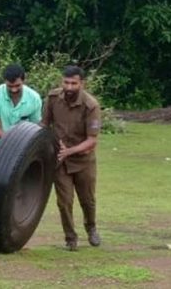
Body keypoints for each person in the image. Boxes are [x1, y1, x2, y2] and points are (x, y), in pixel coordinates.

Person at [41, 65, 102, 251]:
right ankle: (70, 238)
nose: (69, 87)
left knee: (87, 200)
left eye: (73, 83)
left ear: (81, 83)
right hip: (60, 160)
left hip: (83, 161)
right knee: (64, 202)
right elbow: (44, 124)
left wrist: (71, 150)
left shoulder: (91, 106)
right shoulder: (53, 98)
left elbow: (92, 140)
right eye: (66, 82)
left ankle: (91, 228)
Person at [0, 63, 42, 173]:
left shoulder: (34, 98)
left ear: (24, 80)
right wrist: (19, 144)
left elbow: (35, 128)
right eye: (10, 86)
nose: (13, 89)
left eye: (17, 86)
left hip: (20, 153)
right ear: (4, 82)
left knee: (17, 188)